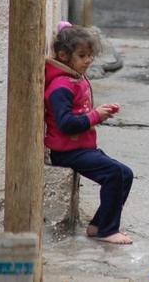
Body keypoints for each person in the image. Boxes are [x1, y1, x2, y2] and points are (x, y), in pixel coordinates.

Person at [44, 21, 134, 245]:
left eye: (90, 55)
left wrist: (99, 114)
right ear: (64, 56)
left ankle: (98, 224)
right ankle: (108, 230)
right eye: (83, 56)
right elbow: (65, 123)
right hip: (67, 151)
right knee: (113, 173)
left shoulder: (74, 78)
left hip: (81, 147)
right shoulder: (60, 86)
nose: (88, 60)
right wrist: (95, 117)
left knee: (125, 173)